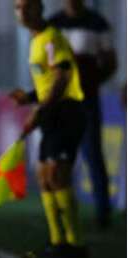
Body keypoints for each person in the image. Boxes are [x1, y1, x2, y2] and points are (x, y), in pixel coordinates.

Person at [9, 0, 87, 258]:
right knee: (43, 177)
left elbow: (62, 77)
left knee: (57, 176)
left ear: (40, 9)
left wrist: (40, 109)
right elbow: (46, 84)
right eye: (18, 7)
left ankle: (75, 242)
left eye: (28, 7)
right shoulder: (35, 41)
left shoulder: (52, 38)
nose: (23, 12)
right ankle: (57, 240)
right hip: (51, 113)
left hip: (67, 112)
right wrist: (30, 98)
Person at [48, 0, 117, 229]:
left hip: (87, 100)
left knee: (92, 153)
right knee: (58, 157)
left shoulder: (97, 23)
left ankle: (102, 211)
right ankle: (61, 213)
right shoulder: (54, 24)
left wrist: (92, 82)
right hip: (60, 101)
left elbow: (110, 61)